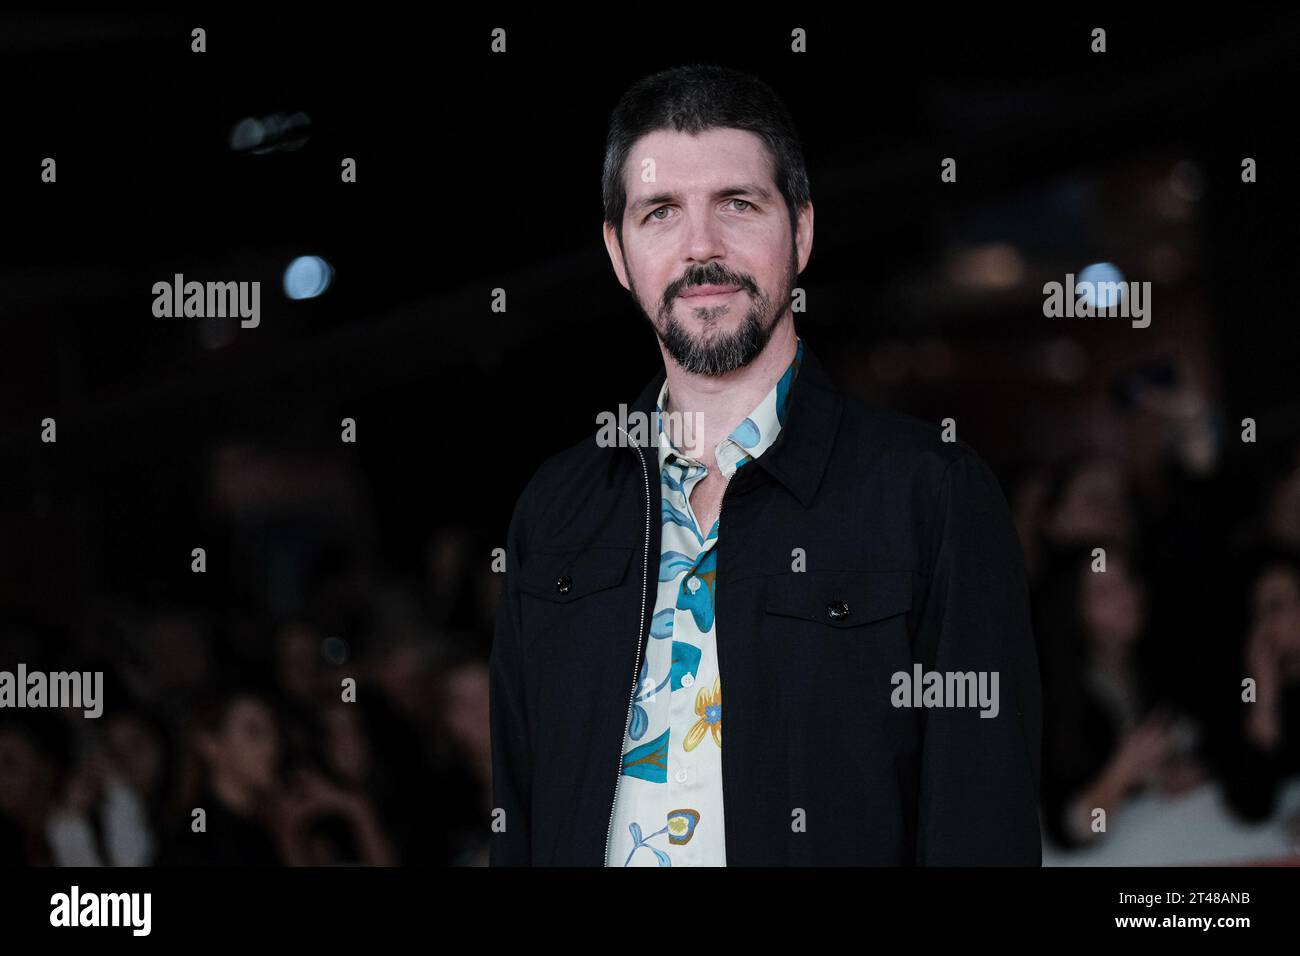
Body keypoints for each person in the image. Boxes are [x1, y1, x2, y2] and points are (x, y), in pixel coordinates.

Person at [489, 64, 1041, 866]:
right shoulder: (555, 510)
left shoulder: (930, 494)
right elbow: (520, 813)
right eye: (660, 212)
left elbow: (980, 824)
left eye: (738, 205)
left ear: (802, 232)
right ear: (618, 251)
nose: (701, 247)